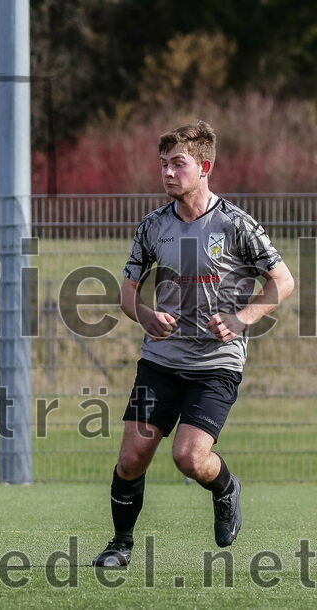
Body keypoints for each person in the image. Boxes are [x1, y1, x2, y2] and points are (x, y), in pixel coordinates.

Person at [93, 120, 295, 567]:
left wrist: (242, 319)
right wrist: (144, 314)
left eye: (177, 164)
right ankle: (120, 545)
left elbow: (282, 281)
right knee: (132, 457)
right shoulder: (152, 227)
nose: (166, 172)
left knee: (188, 457)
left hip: (216, 365)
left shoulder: (236, 225)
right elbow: (127, 291)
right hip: (161, 361)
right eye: (162, 164)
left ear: (204, 167)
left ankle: (225, 487)